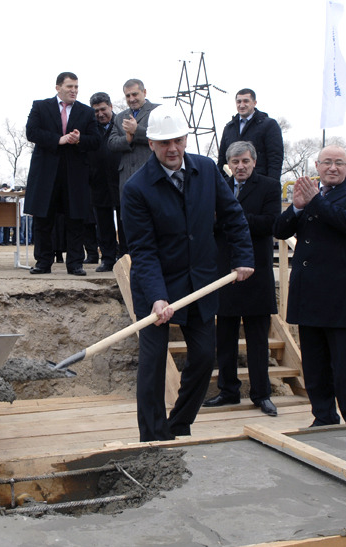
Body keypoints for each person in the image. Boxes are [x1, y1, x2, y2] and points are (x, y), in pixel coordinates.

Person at [121, 105, 254, 442]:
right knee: (151, 365)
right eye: (164, 143)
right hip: (156, 286)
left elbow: (233, 215)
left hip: (201, 282)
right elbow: (144, 250)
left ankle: (179, 422)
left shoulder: (207, 169)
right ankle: (153, 436)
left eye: (178, 140)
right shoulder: (136, 188)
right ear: (150, 144)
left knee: (204, 357)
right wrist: (156, 297)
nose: (173, 149)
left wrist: (242, 256)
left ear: (185, 138)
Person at [273, 144, 346, 426]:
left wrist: (315, 201)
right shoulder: (308, 197)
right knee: (315, 367)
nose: (333, 167)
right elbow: (280, 230)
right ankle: (323, 416)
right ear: (317, 166)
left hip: (342, 299)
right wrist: (296, 206)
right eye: (327, 162)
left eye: (339, 163)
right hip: (308, 295)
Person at [203, 141, 280, 417]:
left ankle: (262, 394)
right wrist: (229, 220)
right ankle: (228, 391)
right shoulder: (218, 184)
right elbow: (207, 222)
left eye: (245, 161)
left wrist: (233, 217)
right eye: (235, 162)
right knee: (225, 337)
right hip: (224, 272)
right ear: (228, 163)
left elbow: (269, 223)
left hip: (256, 272)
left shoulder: (270, 187)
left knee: (258, 340)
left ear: (254, 161)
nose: (240, 166)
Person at [24, 72, 100, 276]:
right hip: (46, 174)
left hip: (74, 175)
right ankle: (43, 262)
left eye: (76, 87)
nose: (74, 90)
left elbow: (96, 140)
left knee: (75, 219)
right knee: (43, 219)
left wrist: (79, 139)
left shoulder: (85, 112)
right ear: (58, 87)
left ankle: (75, 264)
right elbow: (32, 132)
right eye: (69, 87)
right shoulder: (40, 106)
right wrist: (59, 139)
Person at [108, 79, 160, 256]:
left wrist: (137, 130)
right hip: (127, 178)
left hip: (151, 175)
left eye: (135, 94)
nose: (131, 99)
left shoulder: (157, 111)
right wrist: (127, 139)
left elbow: (161, 136)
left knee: (153, 218)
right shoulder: (120, 117)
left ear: (144, 92)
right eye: (128, 95)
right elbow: (112, 143)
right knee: (130, 222)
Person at [217, 88, 283, 182]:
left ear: (254, 103)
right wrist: (221, 183)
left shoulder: (269, 125)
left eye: (246, 101)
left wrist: (272, 185)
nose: (242, 105)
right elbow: (222, 159)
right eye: (239, 102)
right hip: (233, 186)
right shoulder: (229, 128)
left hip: (259, 184)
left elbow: (275, 158)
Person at [88, 92, 121, 272]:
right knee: (103, 223)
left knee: (125, 221)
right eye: (96, 111)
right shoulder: (89, 127)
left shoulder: (122, 123)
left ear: (111, 107)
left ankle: (125, 256)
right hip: (98, 181)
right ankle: (108, 259)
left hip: (120, 179)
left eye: (103, 109)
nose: (100, 114)